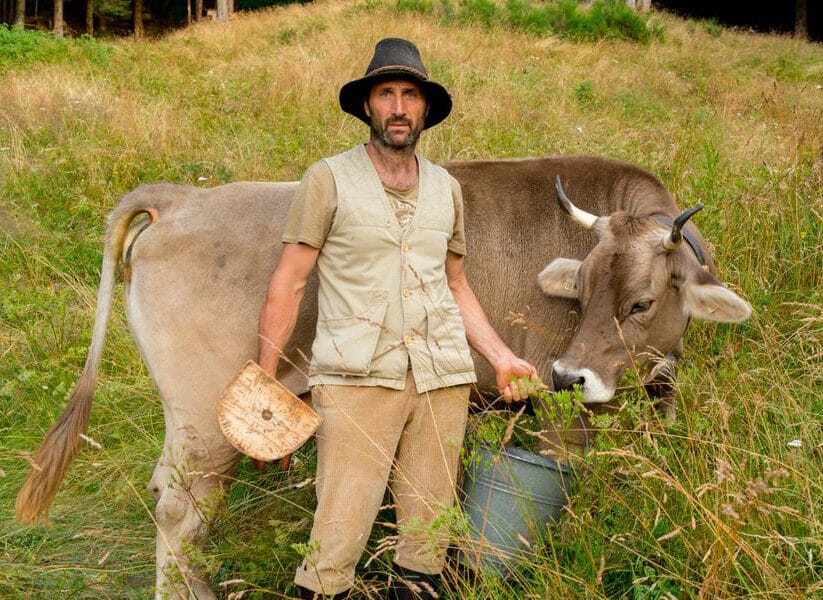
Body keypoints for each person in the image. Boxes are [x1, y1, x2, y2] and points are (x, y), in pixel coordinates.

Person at [257, 38, 541, 600]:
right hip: (357, 380)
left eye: (410, 95)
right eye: (385, 94)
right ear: (367, 105)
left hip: (441, 380)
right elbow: (288, 282)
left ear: (425, 109)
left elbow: (455, 285)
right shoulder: (328, 179)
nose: (398, 107)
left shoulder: (446, 190)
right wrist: (265, 383)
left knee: (427, 542)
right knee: (335, 542)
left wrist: (502, 356)